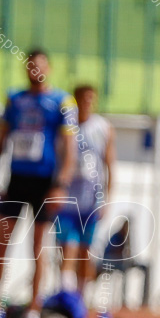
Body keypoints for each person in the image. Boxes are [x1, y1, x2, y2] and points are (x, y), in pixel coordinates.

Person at [0, 49, 77, 318]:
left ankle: (34, 308)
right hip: (17, 179)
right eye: (30, 66)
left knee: (38, 247)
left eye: (40, 66)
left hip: (44, 182)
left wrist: (61, 184)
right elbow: (3, 139)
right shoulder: (15, 99)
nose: (34, 70)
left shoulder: (61, 102)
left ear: (50, 67)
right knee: (2, 243)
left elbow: (68, 146)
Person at [56, 84, 115, 295]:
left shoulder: (102, 127)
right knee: (67, 246)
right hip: (68, 197)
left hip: (91, 197)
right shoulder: (66, 126)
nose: (86, 102)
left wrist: (107, 198)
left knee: (85, 249)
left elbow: (109, 164)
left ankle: (81, 296)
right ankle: (65, 292)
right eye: (83, 98)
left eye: (91, 98)